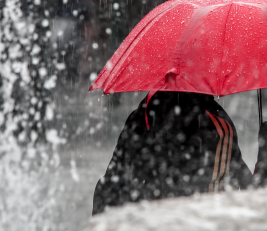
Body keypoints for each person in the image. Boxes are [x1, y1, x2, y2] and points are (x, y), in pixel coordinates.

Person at [93, 91, 252, 214]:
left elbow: (112, 181)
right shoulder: (216, 123)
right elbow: (227, 179)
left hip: (144, 230)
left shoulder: (141, 116)